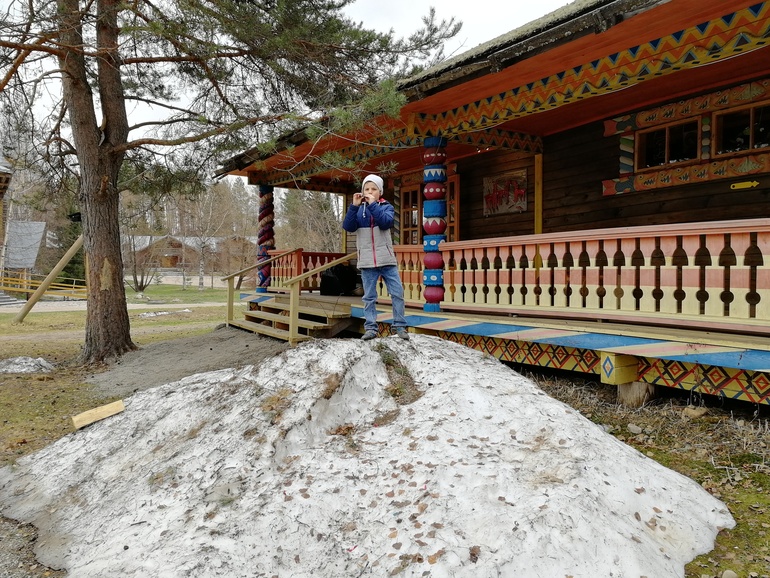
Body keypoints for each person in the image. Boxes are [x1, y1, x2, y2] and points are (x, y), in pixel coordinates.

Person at [342, 174, 409, 341]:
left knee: (397, 293)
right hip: (366, 261)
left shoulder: (386, 207)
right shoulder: (358, 211)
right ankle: (371, 328)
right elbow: (348, 227)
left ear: (380, 192)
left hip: (387, 260)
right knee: (369, 297)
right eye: (366, 189)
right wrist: (354, 206)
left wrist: (373, 205)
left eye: (373, 189)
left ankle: (400, 326)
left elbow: (385, 222)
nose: (369, 192)